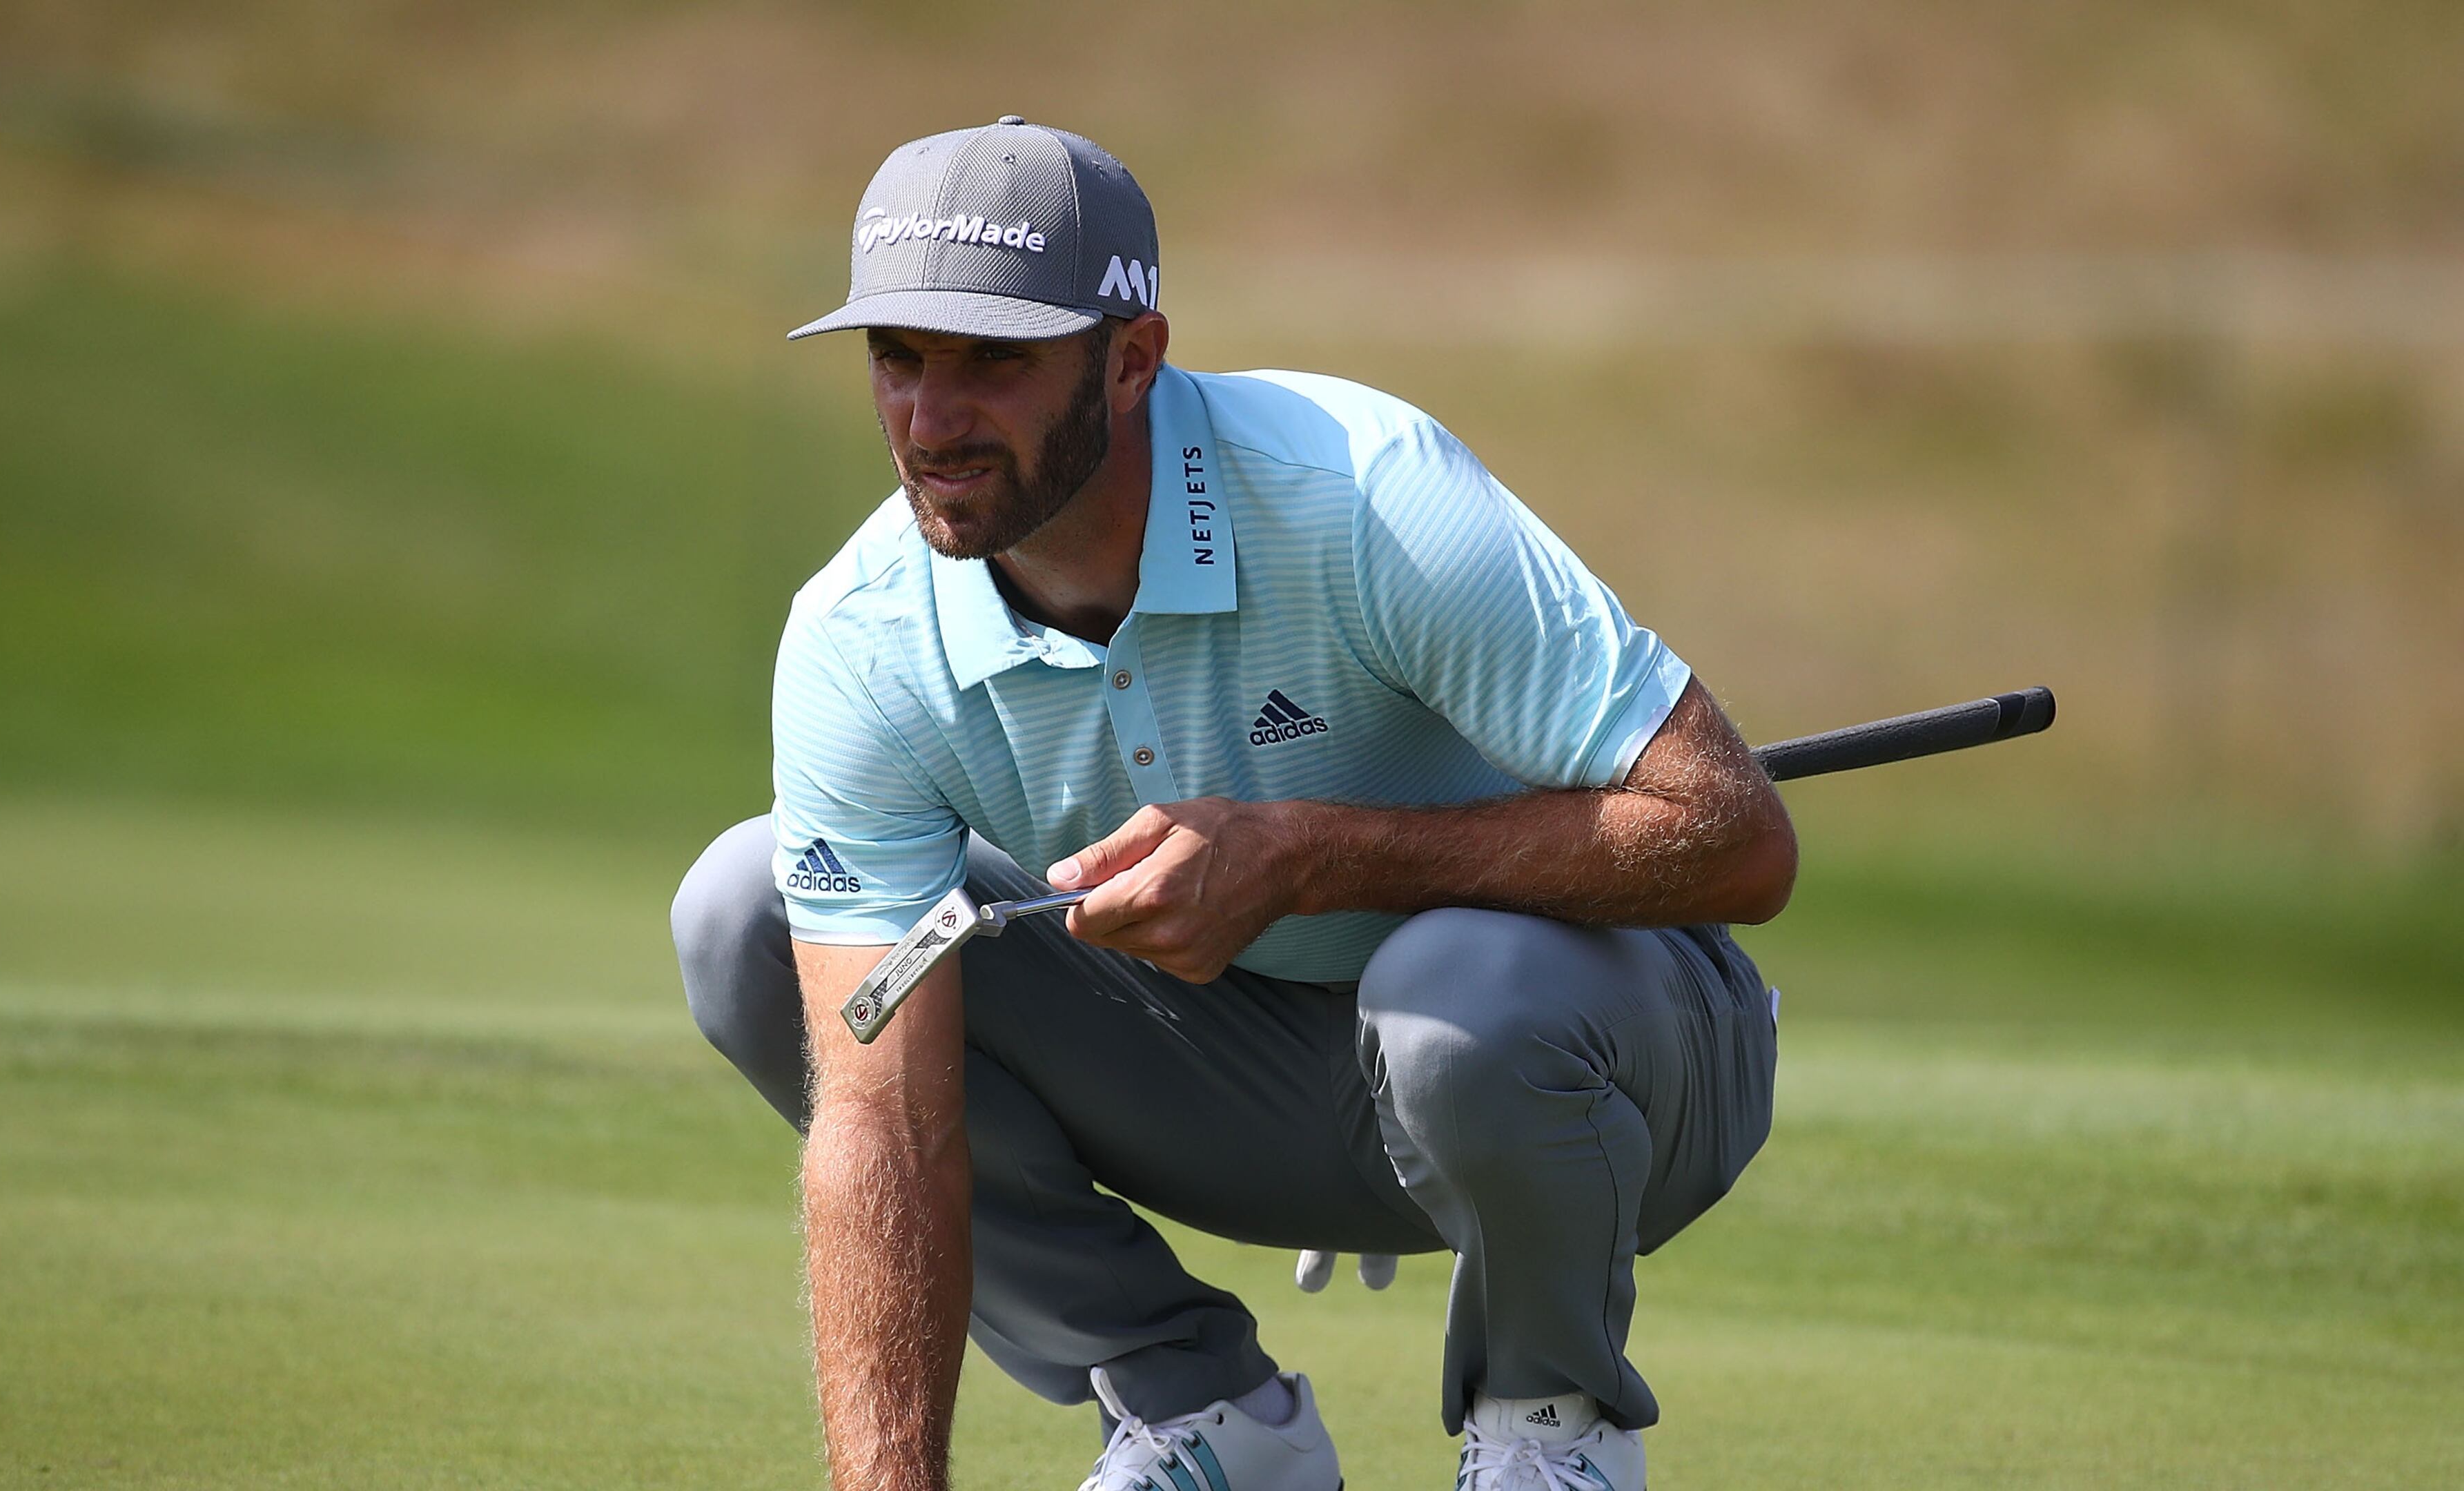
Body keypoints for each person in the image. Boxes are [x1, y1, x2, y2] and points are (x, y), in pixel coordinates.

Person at [672, 117, 1795, 1491]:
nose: (931, 417)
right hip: (1247, 1091)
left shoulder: (1364, 493)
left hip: (1606, 1060)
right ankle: (1208, 1426)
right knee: (749, 911)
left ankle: (1549, 1427)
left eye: (994, 363)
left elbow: (1736, 837)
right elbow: (884, 1125)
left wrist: (1312, 855)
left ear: (1131, 359)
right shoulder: (861, 637)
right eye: (898, 361)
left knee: (1463, 988)